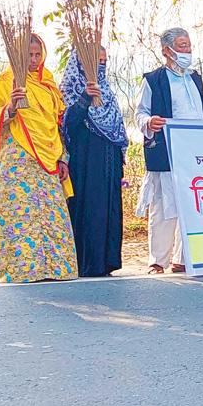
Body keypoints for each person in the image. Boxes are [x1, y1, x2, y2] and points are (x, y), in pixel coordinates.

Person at [0, 34, 78, 283]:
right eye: (29, 55)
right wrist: (11, 107)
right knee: (19, 213)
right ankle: (24, 269)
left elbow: (59, 124)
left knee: (51, 213)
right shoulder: (7, 80)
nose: (34, 60)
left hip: (49, 158)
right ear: (18, 55)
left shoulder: (48, 84)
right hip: (18, 156)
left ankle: (55, 268)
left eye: (38, 54)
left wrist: (63, 158)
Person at [135, 27, 203, 275]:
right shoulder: (153, 80)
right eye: (181, 45)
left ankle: (182, 258)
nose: (187, 50)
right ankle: (158, 261)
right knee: (164, 206)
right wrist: (149, 122)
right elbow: (140, 113)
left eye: (189, 45)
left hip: (195, 153)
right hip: (166, 151)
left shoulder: (195, 79)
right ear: (167, 51)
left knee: (190, 204)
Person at [60, 48, 126, 277]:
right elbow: (69, 125)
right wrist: (84, 99)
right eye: (95, 61)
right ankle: (87, 263)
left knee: (109, 209)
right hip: (86, 162)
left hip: (109, 163)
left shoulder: (106, 91)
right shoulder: (71, 89)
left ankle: (107, 262)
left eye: (104, 61)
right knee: (90, 209)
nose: (101, 66)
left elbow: (117, 129)